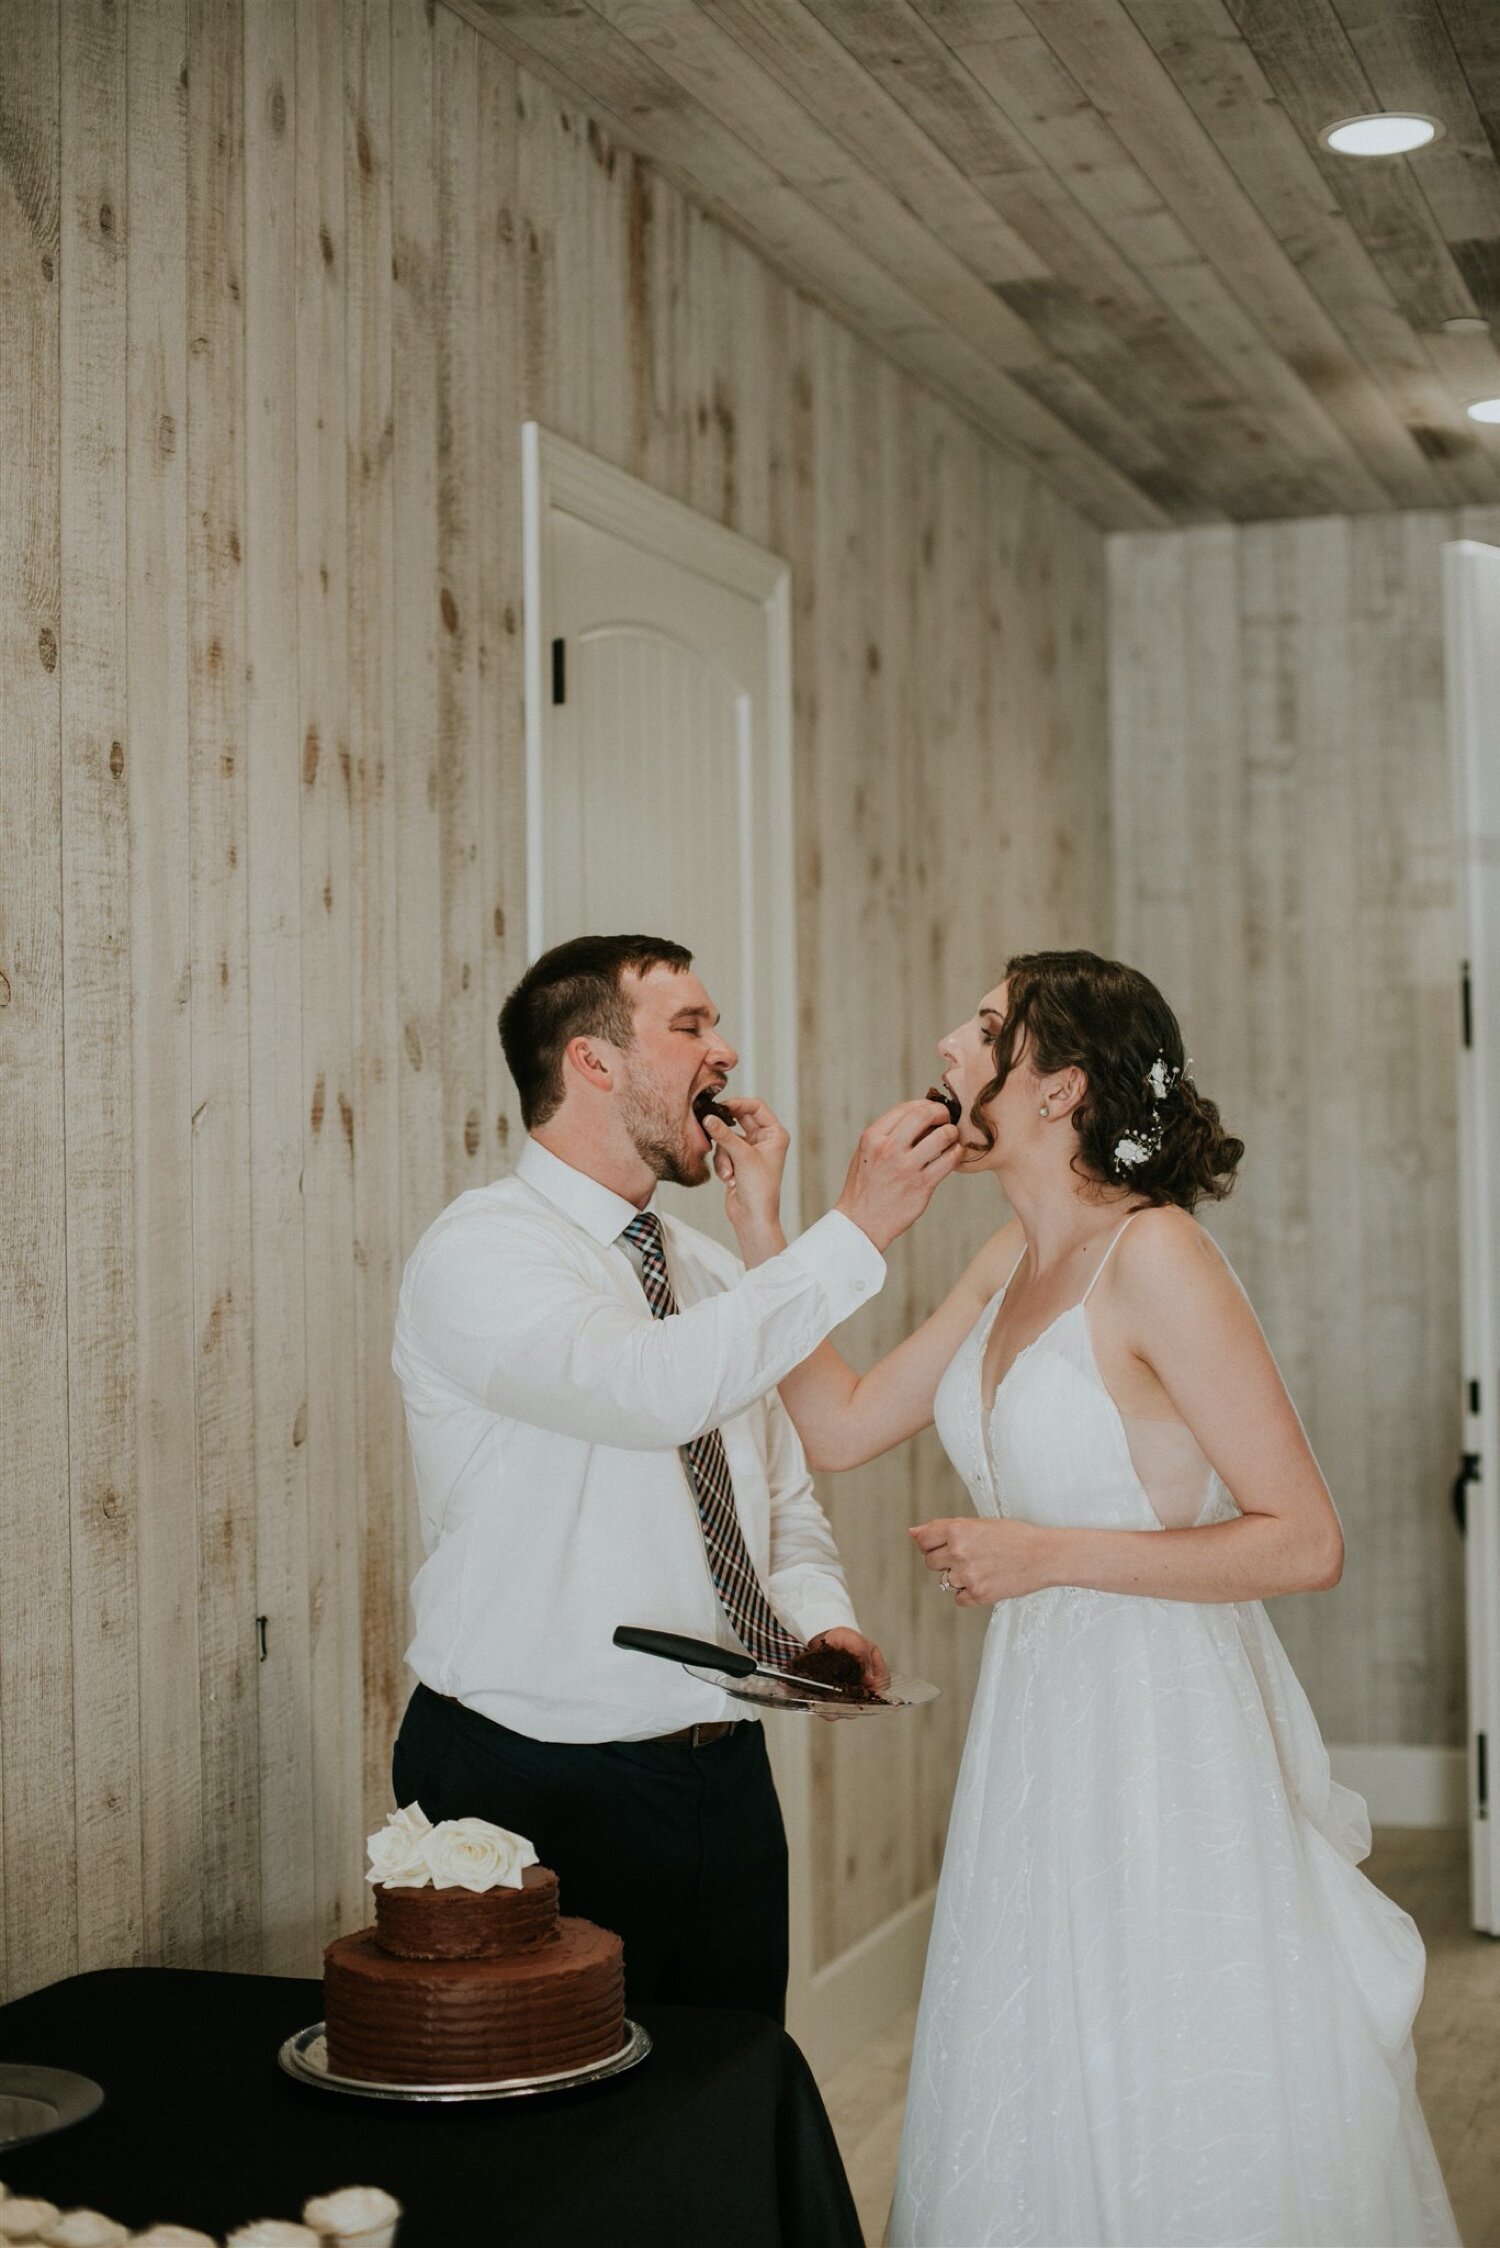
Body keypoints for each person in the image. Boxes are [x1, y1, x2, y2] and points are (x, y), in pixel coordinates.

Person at [725, 950, 1460, 2246]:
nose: (954, 1043)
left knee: (1166, 2034)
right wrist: (770, 1229)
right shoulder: (1008, 1254)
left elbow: (1303, 1540)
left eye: (988, 1026)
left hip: (1167, 1723)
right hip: (1040, 1717)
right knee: (1045, 2032)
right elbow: (839, 1428)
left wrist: (1045, 1554)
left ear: (1059, 1088)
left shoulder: (1159, 1256)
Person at [388, 932, 960, 2023]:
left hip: (721, 1776)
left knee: (726, 2104)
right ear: (593, 1063)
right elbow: (649, 1390)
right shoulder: (482, 1251)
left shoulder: (706, 1273)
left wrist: (812, 1630)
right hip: (528, 1777)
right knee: (559, 2135)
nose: (726, 1050)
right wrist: (852, 1230)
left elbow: (778, 1496)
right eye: (691, 1027)